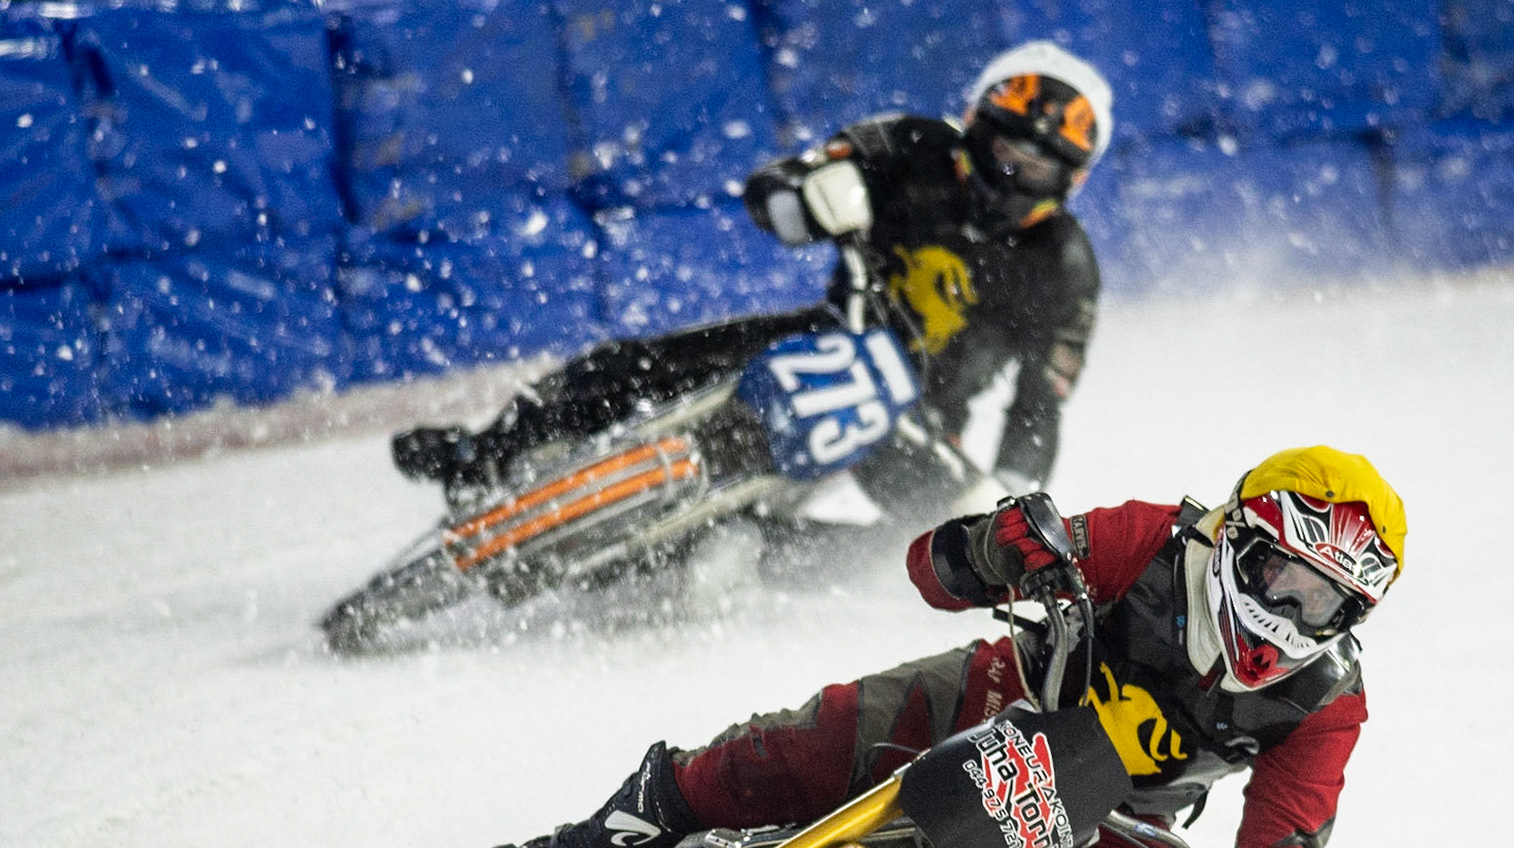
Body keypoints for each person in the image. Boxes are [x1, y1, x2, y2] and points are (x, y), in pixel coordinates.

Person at [443, 445, 1407, 848]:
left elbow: (1291, 846)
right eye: (1278, 572)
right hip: (999, 698)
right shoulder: (1154, 538)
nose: (1288, 614)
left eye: (1322, 602)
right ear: (1232, 538)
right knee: (769, 758)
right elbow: (930, 568)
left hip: (1113, 817)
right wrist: (1003, 543)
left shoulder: (1328, 701)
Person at [391, 40, 1110, 505]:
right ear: (971, 126)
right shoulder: (912, 143)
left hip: (917, 420)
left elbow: (1039, 404)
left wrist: (1013, 499)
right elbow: (780, 184)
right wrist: (805, 197)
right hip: (822, 336)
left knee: (926, 548)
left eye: (1037, 164)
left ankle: (763, 560)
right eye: (1002, 148)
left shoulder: (1065, 266)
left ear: (1070, 179)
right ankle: (484, 453)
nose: (1011, 172)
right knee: (632, 364)